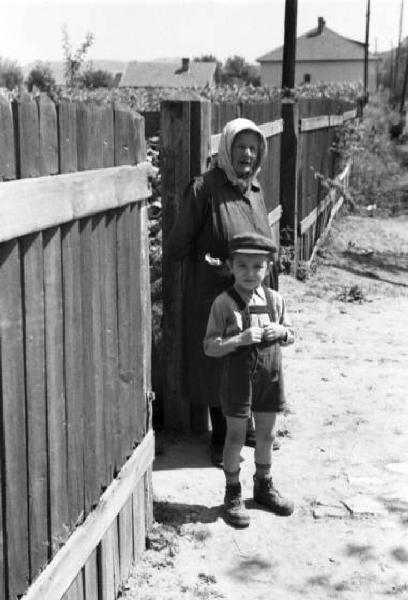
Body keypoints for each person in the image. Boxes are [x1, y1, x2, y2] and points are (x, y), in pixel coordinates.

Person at [166, 118, 278, 466]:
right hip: (217, 297)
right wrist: (214, 265)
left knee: (251, 360)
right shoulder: (204, 189)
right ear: (226, 149)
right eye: (240, 146)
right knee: (221, 364)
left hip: (254, 295)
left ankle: (243, 429)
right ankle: (219, 439)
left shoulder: (255, 191)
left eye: (253, 147)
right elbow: (177, 246)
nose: (247, 153)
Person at [203, 232, 294, 527]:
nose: (250, 273)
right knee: (236, 437)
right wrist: (238, 339)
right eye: (242, 265)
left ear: (267, 268)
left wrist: (281, 332)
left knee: (266, 436)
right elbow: (210, 346)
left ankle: (264, 486)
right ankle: (233, 492)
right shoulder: (223, 303)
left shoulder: (275, 300)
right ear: (230, 266)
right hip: (238, 382)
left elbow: (291, 335)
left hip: (270, 379)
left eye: (258, 266)